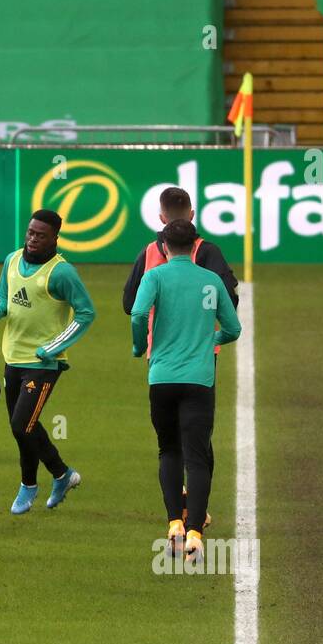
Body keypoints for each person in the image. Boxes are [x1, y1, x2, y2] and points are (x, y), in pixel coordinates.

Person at [122, 186, 239, 528]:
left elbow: (131, 305)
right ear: (192, 215)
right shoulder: (208, 252)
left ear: (160, 219)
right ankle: (195, 514)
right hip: (201, 360)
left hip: (160, 361)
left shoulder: (148, 255)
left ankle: (179, 512)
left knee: (170, 443)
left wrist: (142, 341)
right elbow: (230, 298)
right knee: (198, 441)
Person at [0, 209, 96, 514]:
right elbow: (4, 300)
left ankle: (30, 485)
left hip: (43, 363)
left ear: (55, 238)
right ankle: (61, 475)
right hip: (13, 357)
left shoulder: (61, 273)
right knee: (21, 426)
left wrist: (53, 347)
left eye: (40, 235)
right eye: (30, 232)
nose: (33, 239)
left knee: (23, 426)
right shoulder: (11, 260)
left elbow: (86, 313)